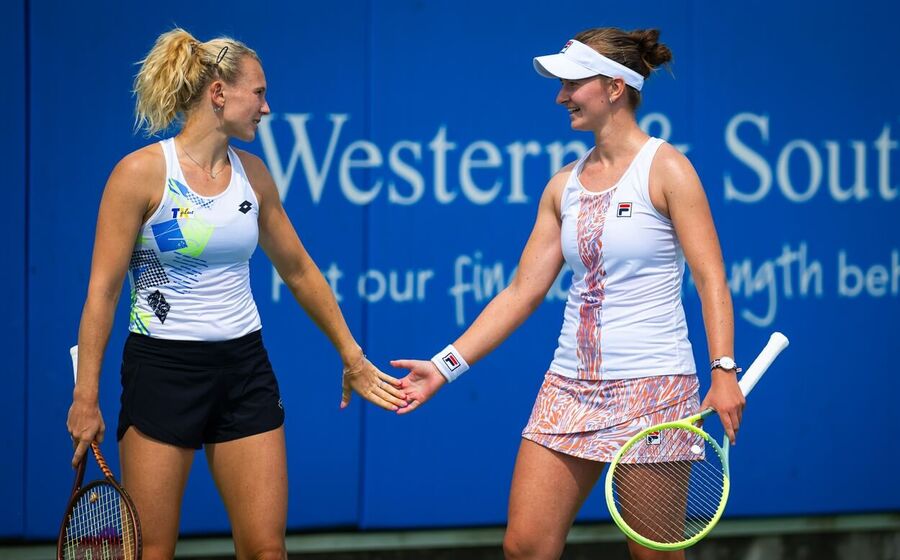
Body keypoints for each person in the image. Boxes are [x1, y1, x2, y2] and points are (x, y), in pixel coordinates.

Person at [391, 28, 744, 560]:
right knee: (525, 546)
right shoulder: (564, 186)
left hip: (653, 389)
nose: (561, 96)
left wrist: (723, 370)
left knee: (654, 556)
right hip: (568, 387)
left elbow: (711, 277)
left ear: (614, 88)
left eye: (572, 83)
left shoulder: (668, 168)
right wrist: (444, 366)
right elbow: (519, 294)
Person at [65, 28, 407, 560]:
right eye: (260, 93)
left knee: (267, 550)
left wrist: (352, 355)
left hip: (244, 369)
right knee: (152, 550)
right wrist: (85, 396)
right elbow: (102, 294)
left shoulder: (255, 176)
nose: (267, 108)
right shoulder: (138, 175)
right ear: (219, 93)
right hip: (162, 372)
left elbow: (299, 271)